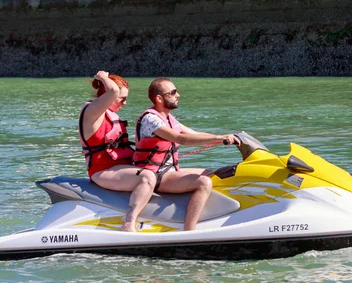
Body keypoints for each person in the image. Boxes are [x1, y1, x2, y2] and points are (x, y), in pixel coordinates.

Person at [131, 77, 239, 231]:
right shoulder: (151, 119)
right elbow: (181, 139)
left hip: (169, 171)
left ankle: (217, 218)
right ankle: (189, 230)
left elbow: (194, 134)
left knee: (213, 174)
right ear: (159, 98)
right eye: (173, 92)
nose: (178, 95)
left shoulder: (169, 118)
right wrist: (219, 138)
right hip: (155, 175)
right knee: (203, 182)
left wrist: (228, 138)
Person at [79, 71, 157, 232]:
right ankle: (129, 223)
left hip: (121, 169)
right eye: (123, 99)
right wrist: (102, 77)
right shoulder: (92, 112)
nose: (125, 103)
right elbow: (113, 91)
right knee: (147, 177)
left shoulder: (111, 116)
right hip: (102, 171)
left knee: (157, 171)